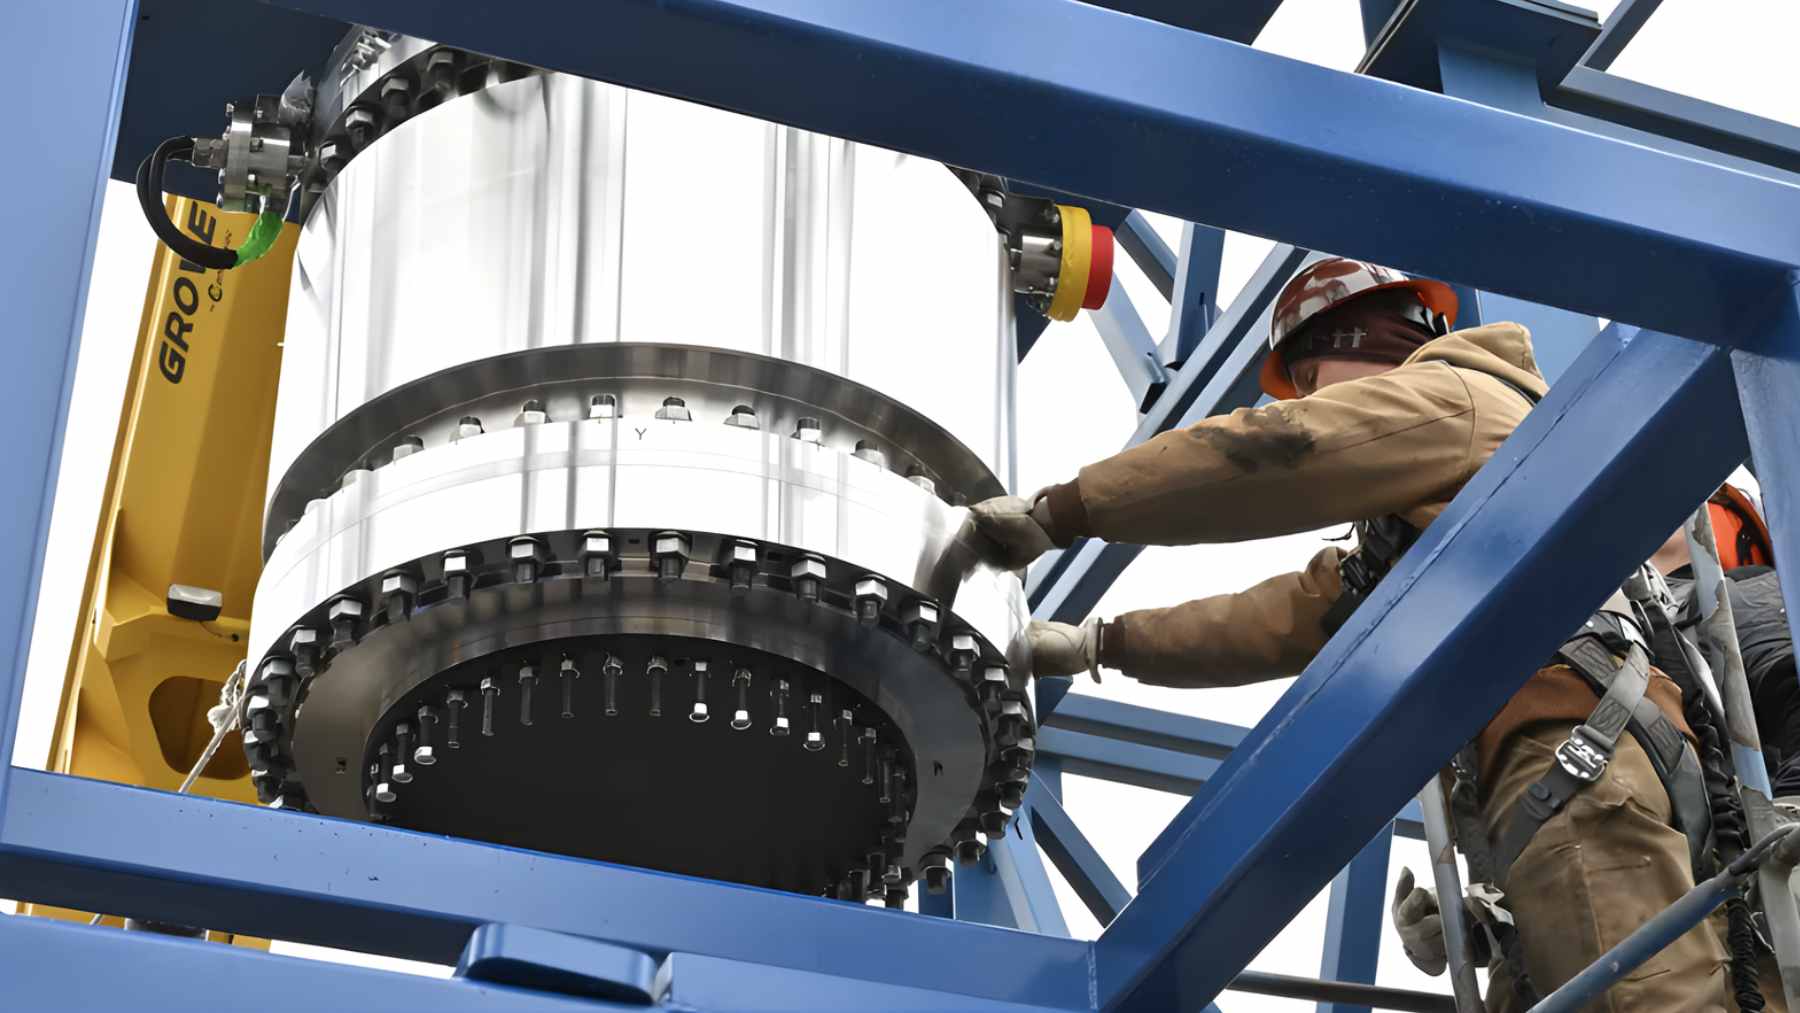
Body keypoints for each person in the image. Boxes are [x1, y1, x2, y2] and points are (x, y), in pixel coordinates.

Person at [970, 257, 1736, 1010]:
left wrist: (1064, 510)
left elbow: (1272, 453)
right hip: (1558, 784)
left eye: (1306, 379)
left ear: (1364, 342)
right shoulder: (1422, 526)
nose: (1302, 399)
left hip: (1574, 759)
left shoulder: (1455, 402)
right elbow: (1275, 618)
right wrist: (1104, 642)